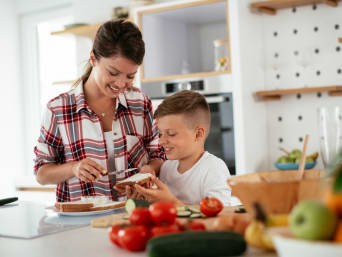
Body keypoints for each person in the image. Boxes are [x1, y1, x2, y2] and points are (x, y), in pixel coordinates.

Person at [34, 19, 165, 202]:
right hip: (81, 221)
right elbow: (41, 173)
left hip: (135, 213)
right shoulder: (58, 109)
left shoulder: (140, 103)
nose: (121, 84)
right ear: (93, 58)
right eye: (113, 73)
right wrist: (73, 168)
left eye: (130, 76)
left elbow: (158, 154)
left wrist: (150, 169)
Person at [134, 90, 231, 206]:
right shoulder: (167, 168)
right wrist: (139, 200)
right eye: (160, 134)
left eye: (171, 134)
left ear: (198, 134)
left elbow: (220, 216)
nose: (161, 141)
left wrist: (171, 202)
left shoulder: (214, 169)